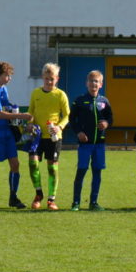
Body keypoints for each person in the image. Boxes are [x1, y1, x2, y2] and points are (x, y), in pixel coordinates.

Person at [0, 62, 35, 211]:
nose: (9, 78)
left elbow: (7, 108)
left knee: (15, 164)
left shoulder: (3, 89)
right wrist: (22, 115)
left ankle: (13, 197)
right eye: (7, 75)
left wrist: (15, 112)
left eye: (10, 75)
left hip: (7, 133)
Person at [27, 63, 70, 210]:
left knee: (52, 168)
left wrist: (59, 127)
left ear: (57, 79)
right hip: (37, 137)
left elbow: (67, 116)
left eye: (52, 79)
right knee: (32, 163)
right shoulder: (35, 94)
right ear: (42, 78)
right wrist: (30, 125)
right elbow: (30, 114)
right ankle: (38, 195)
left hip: (54, 137)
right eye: (46, 78)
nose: (49, 81)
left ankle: (51, 200)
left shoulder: (60, 95)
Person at [69, 70, 113, 211]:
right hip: (85, 144)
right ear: (86, 83)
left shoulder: (104, 101)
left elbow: (110, 119)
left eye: (96, 81)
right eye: (91, 81)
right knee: (81, 171)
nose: (93, 83)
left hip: (99, 144)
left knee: (97, 172)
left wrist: (106, 124)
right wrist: (79, 132)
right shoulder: (80, 101)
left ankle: (93, 202)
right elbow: (72, 119)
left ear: (101, 84)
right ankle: (76, 202)